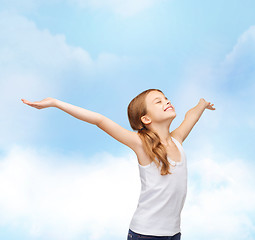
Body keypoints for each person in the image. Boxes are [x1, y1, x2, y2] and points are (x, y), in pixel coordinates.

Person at [21, 88, 216, 240]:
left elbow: (192, 116)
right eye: (158, 101)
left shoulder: (177, 140)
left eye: (166, 98)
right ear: (145, 119)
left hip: (174, 233)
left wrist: (201, 104)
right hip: (145, 234)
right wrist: (55, 103)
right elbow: (99, 120)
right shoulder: (140, 144)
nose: (166, 101)